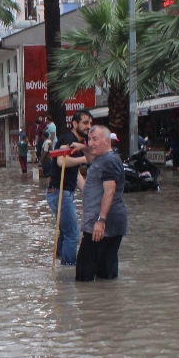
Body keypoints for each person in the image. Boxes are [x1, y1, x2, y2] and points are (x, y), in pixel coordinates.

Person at [69, 125, 128, 281]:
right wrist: (84, 148)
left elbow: (110, 191)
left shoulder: (109, 161)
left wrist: (101, 221)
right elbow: (92, 160)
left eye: (95, 139)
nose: (91, 143)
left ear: (107, 141)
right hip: (109, 222)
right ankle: (105, 302)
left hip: (101, 223)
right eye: (89, 139)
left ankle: (89, 303)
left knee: (83, 275)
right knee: (106, 274)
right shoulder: (104, 158)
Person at [46, 110, 92, 267]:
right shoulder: (69, 139)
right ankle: (69, 268)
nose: (88, 127)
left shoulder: (76, 142)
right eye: (85, 123)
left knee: (66, 234)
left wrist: (87, 191)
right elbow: (61, 161)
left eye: (90, 123)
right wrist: (86, 157)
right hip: (60, 193)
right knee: (72, 234)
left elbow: (74, 172)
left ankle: (61, 267)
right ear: (75, 124)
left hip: (61, 192)